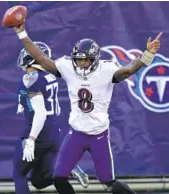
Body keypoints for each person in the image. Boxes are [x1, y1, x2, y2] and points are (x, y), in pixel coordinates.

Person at [11, 22, 161, 194]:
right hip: (75, 133)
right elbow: (41, 58)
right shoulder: (67, 66)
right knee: (58, 178)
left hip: (98, 135)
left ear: (95, 59)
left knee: (109, 183)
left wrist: (147, 55)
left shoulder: (106, 69)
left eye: (85, 59)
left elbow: (128, 70)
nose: (81, 63)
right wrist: (22, 33)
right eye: (78, 59)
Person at [13, 41, 89, 194]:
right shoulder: (49, 76)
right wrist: (25, 103)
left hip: (38, 133)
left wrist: (31, 139)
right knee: (39, 181)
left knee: (19, 174)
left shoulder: (30, 79)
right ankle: (69, 169)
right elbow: (56, 108)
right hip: (54, 133)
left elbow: (40, 113)